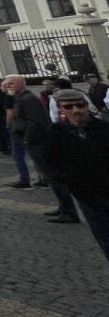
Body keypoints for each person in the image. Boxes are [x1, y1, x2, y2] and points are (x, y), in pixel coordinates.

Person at [3, 74, 81, 224]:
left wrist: (27, 138)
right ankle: (63, 207)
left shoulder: (28, 99)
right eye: (6, 84)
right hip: (33, 141)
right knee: (50, 176)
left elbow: (36, 121)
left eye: (11, 84)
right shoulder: (22, 98)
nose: (8, 87)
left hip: (37, 142)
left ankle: (69, 211)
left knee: (53, 176)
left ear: (21, 84)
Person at [46, 88, 109, 263]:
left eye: (80, 105)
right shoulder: (57, 132)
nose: (76, 110)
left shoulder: (103, 128)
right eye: (69, 106)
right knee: (104, 238)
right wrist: (72, 185)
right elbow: (52, 162)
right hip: (87, 196)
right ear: (61, 110)